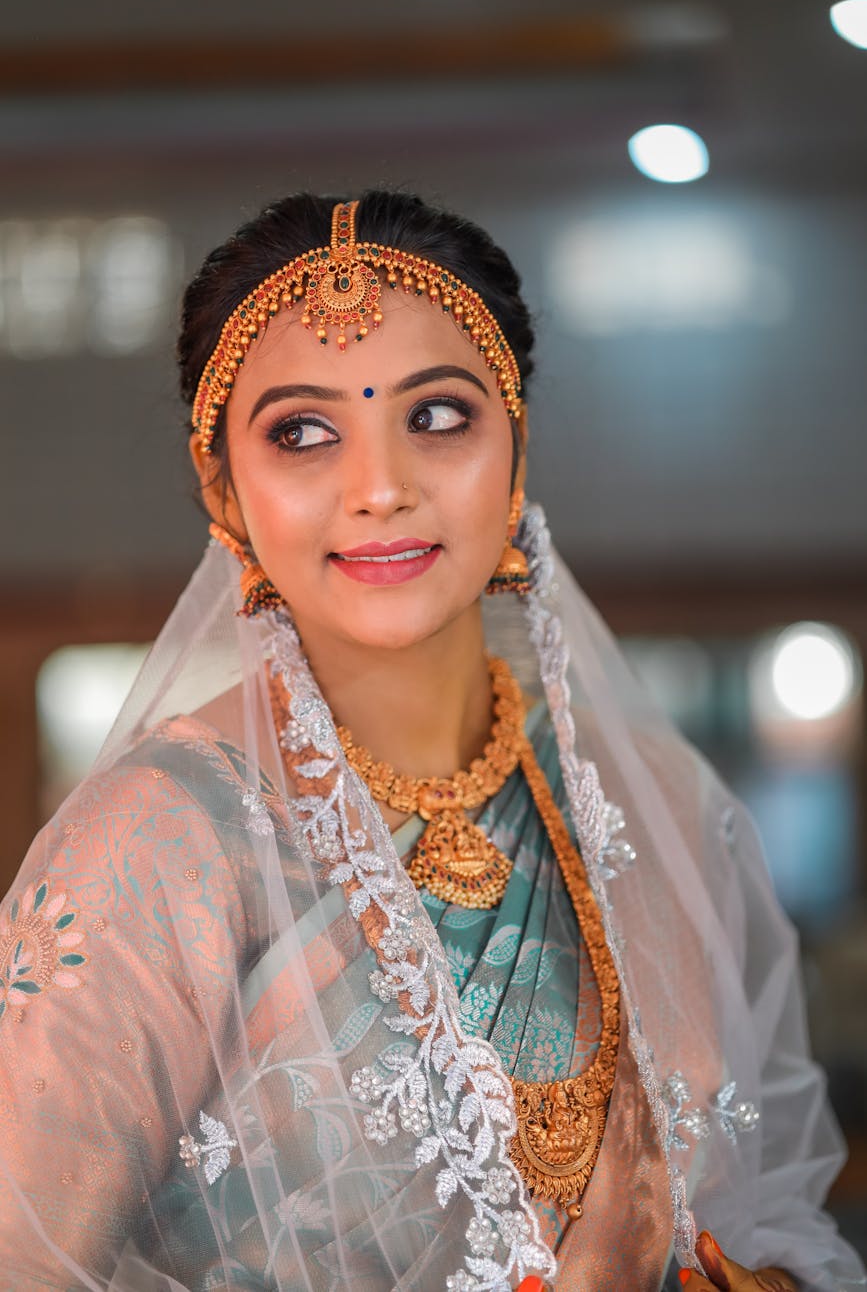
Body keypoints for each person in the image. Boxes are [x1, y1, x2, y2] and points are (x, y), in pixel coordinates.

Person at [0, 191, 862, 1292]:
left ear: (516, 446)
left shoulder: (650, 799)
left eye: (439, 415)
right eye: (303, 432)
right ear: (224, 483)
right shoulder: (159, 846)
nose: (381, 489)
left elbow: (767, 1198)